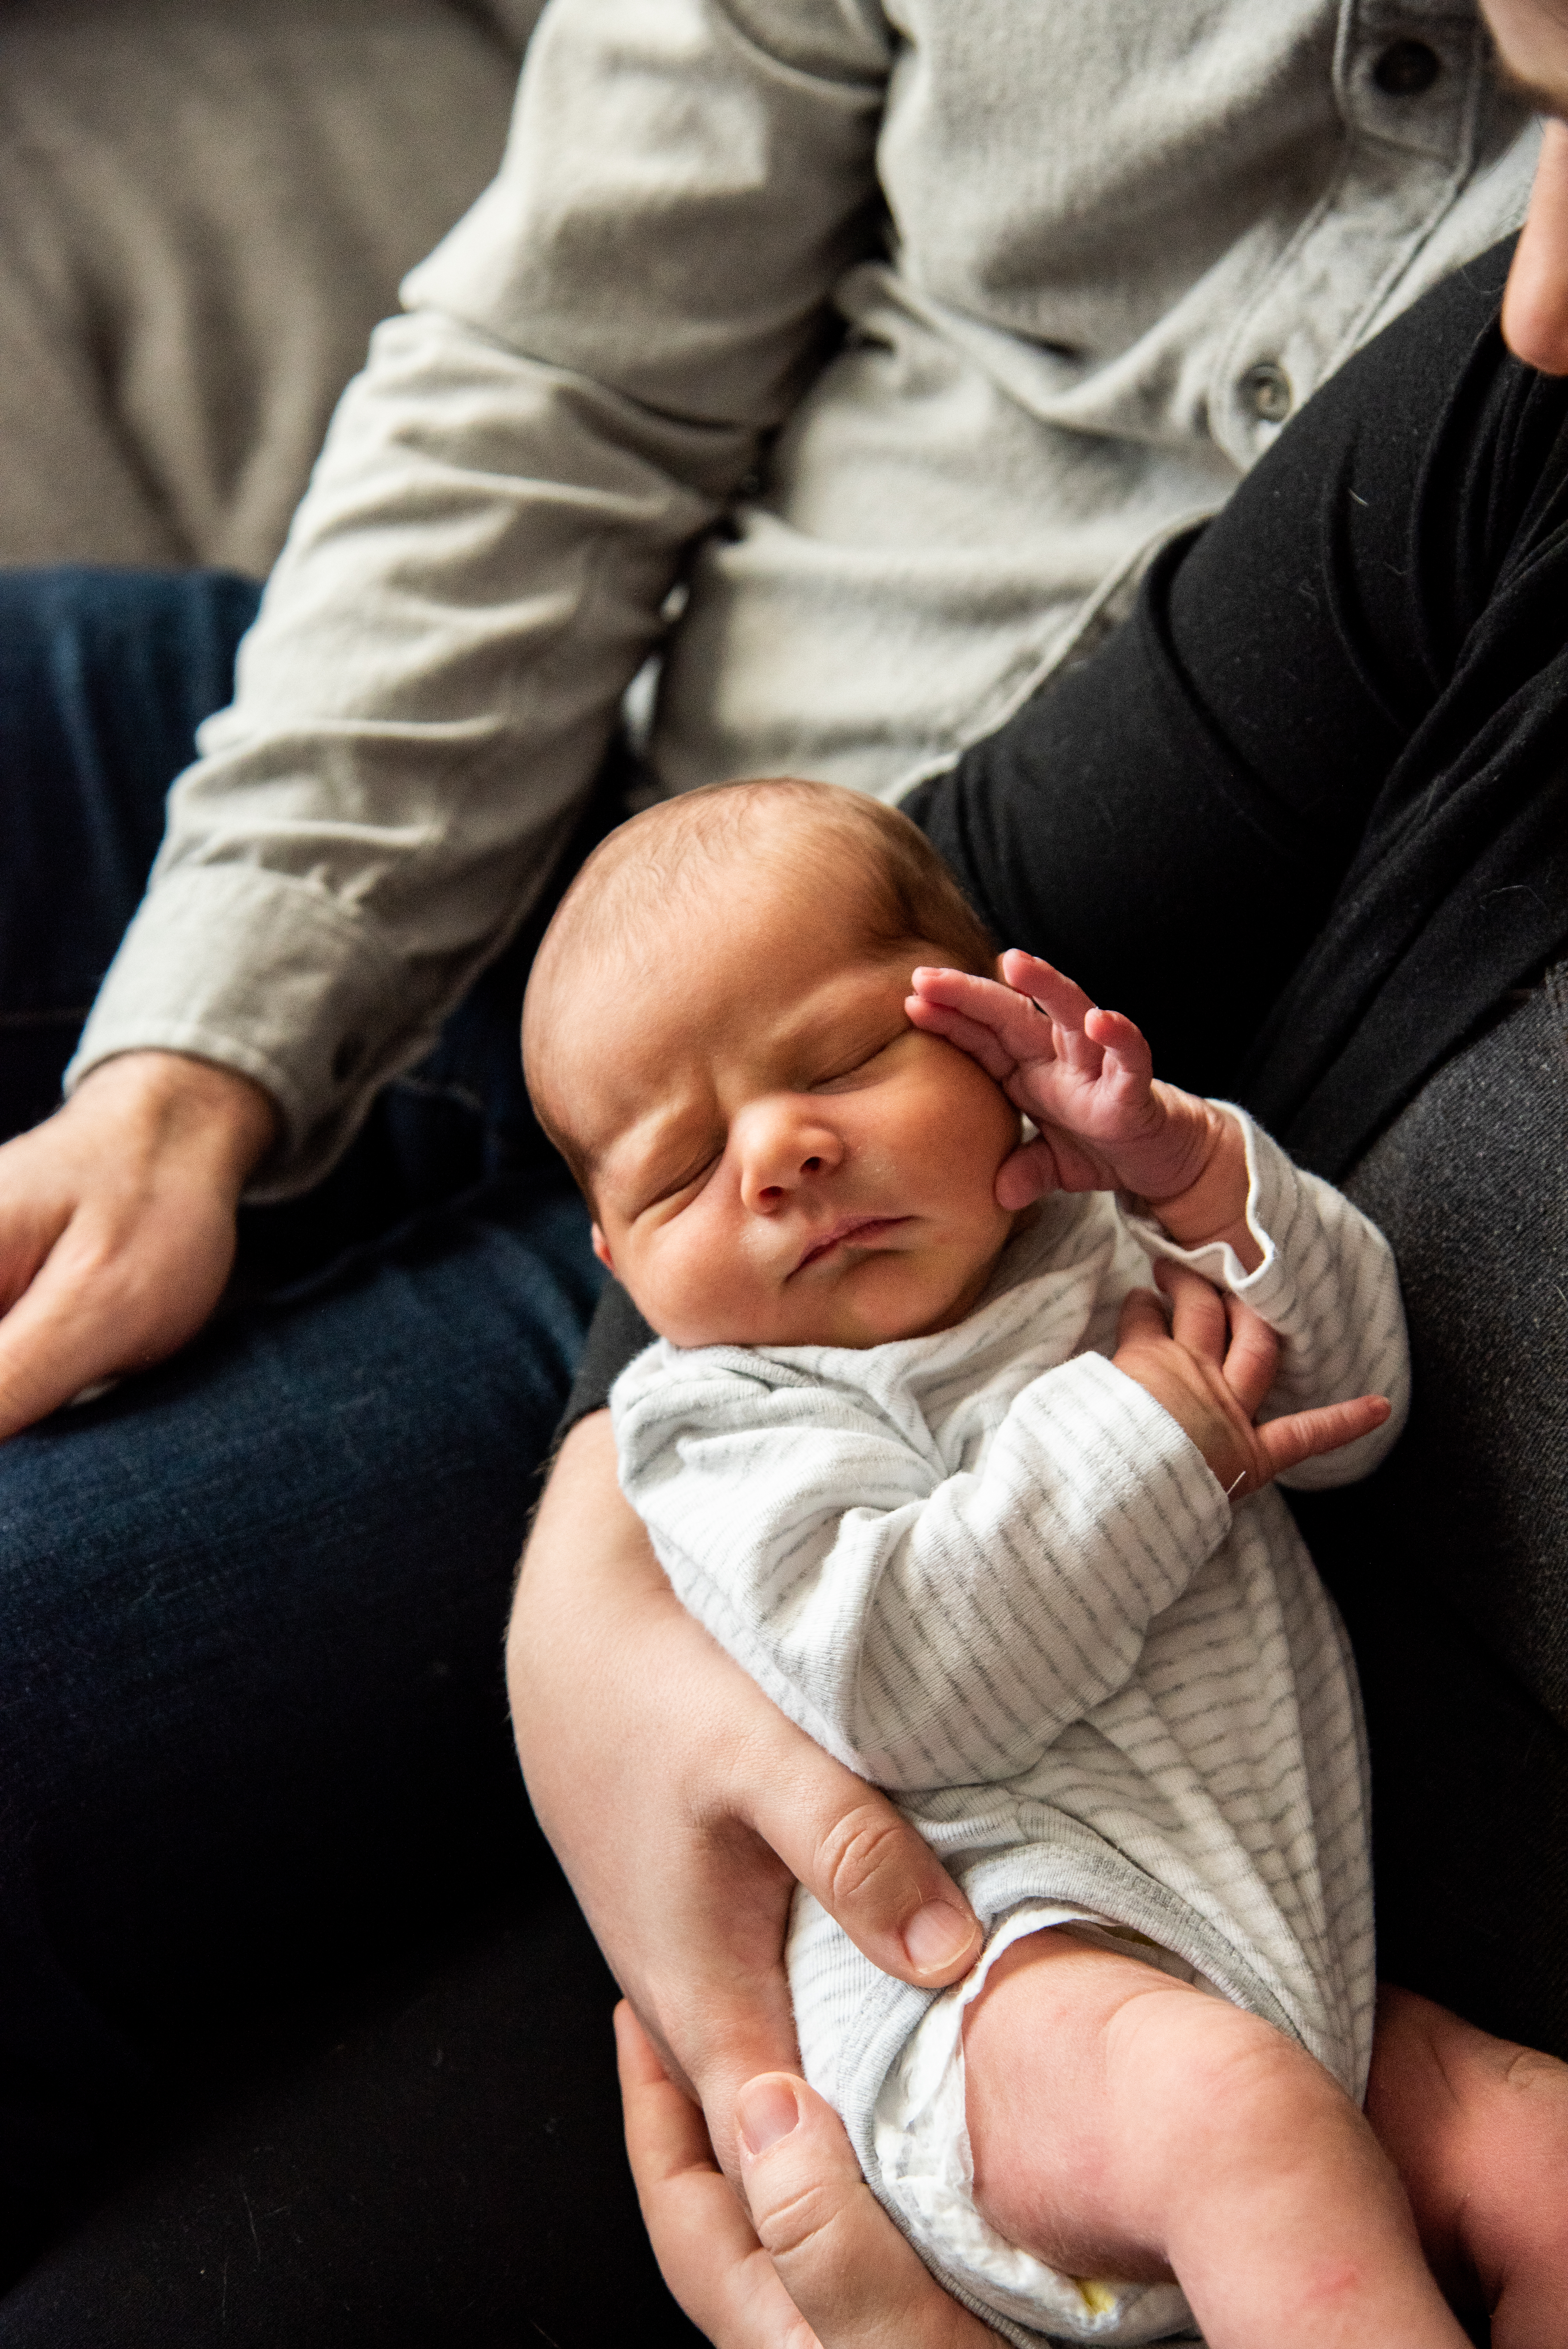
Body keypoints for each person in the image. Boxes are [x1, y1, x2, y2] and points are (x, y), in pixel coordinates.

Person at [0, 5, 1562, 2343]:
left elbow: (1298, 1389)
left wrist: (1160, 1172)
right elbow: (569, 349)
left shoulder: (935, 1248)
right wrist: (194, 1052)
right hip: (639, 762)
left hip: (855, 1132)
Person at [521, 778, 1564, 2348]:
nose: (780, 1155)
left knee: (1541, 2154)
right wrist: (1146, 1433)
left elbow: (1355, 1404)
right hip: (990, 2013)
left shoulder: (1098, 1230)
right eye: (678, 1172)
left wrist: (1196, 1175)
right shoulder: (717, 1415)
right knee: (1228, 2114)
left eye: (841, 1063)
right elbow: (900, 1685)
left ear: (995, 1036)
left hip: (1280, 1981)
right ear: (615, 1263)